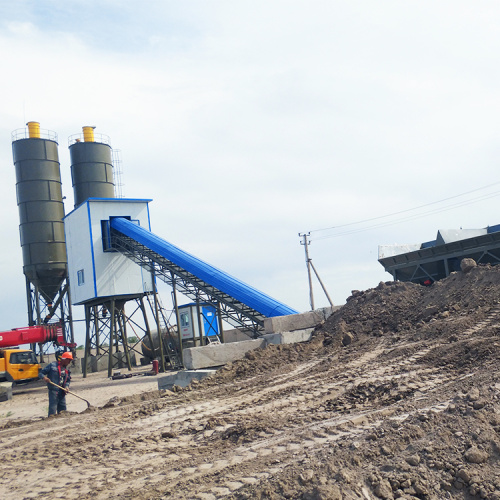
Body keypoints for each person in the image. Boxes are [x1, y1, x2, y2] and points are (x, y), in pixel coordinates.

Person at [40, 351, 73, 417]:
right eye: (68, 360)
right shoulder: (52, 366)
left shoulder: (67, 370)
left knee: (63, 411)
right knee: (53, 410)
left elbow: (67, 381)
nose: (69, 362)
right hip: (53, 391)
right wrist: (45, 378)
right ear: (64, 359)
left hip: (62, 391)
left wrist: (66, 387)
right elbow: (41, 373)